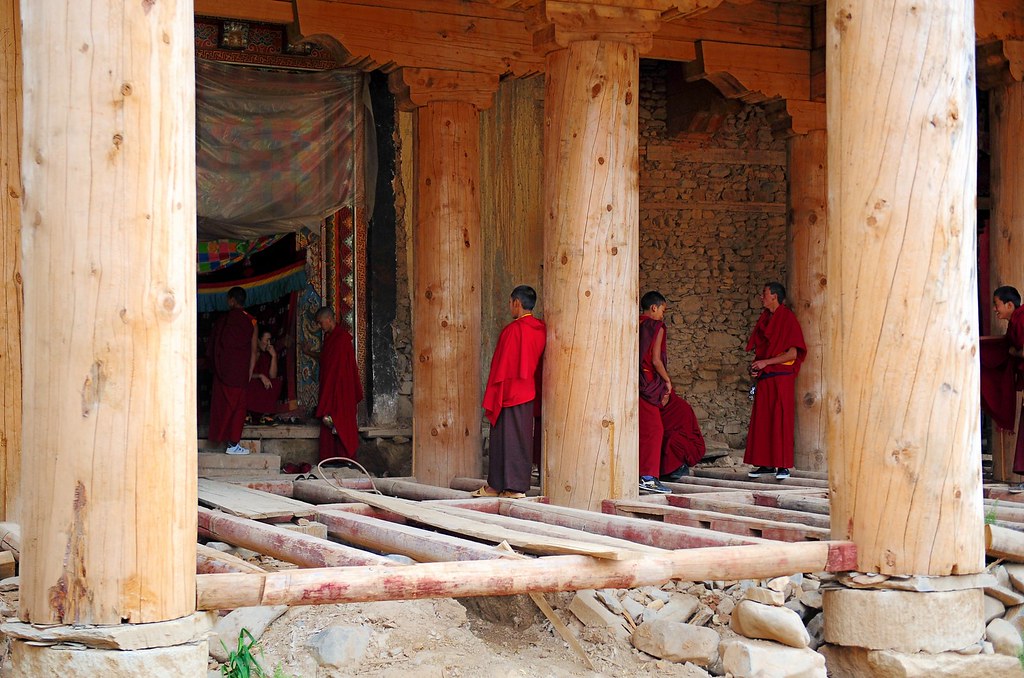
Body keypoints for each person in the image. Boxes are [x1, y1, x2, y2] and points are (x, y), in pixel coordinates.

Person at [474, 286, 546, 499]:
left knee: (502, 440)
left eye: (510, 303)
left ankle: (500, 487)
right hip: (528, 392)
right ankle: (513, 487)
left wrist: (495, 394)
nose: (510, 307)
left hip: (508, 394)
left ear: (516, 303)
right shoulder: (540, 328)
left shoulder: (512, 330)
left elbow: (501, 367)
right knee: (521, 440)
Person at [638, 292, 707, 495]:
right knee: (654, 430)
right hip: (649, 382)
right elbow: (656, 359)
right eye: (662, 310)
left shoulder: (634, 325)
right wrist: (667, 380)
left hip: (634, 381)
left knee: (642, 429)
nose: (662, 315)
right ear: (654, 308)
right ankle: (647, 478)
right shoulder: (655, 327)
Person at [744, 282, 806, 480]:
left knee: (781, 420)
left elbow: (792, 354)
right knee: (763, 421)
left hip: (781, 378)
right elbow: (762, 349)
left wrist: (766, 363)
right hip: (766, 377)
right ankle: (765, 464)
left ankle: (783, 466)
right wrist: (757, 366)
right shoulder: (766, 318)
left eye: (765, 294)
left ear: (774, 296)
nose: (761, 297)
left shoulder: (787, 319)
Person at [304, 307, 363, 461]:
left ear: (328, 320)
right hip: (330, 388)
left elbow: (344, 370)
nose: (319, 326)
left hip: (341, 390)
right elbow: (326, 359)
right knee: (328, 426)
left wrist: (335, 393)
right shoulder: (330, 338)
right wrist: (308, 352)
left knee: (340, 422)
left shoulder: (342, 339)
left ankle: (346, 459)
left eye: (320, 322)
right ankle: (330, 459)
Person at [981, 286, 1024, 482]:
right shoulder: (1015, 322)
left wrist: (1014, 353)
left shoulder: (1021, 319)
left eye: (996, 305)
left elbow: (1018, 350)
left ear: (1009, 304)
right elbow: (1006, 345)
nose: (995, 309)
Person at [208, 286, 257, 455]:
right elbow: (253, 350)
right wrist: (249, 372)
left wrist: (216, 366)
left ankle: (222, 440)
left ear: (231, 300)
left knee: (223, 406)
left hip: (224, 372)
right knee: (239, 408)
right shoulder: (251, 321)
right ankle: (233, 444)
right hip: (240, 373)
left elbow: (214, 347)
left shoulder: (223, 321)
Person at [246, 329, 283, 425]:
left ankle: (265, 415)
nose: (268, 343)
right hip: (251, 382)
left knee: (276, 382)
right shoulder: (248, 353)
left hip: (262, 386)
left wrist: (274, 356)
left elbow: (272, 376)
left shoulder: (267, 355)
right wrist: (260, 376)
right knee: (248, 382)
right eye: (267, 340)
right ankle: (247, 413)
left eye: (270, 340)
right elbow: (244, 374)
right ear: (257, 340)